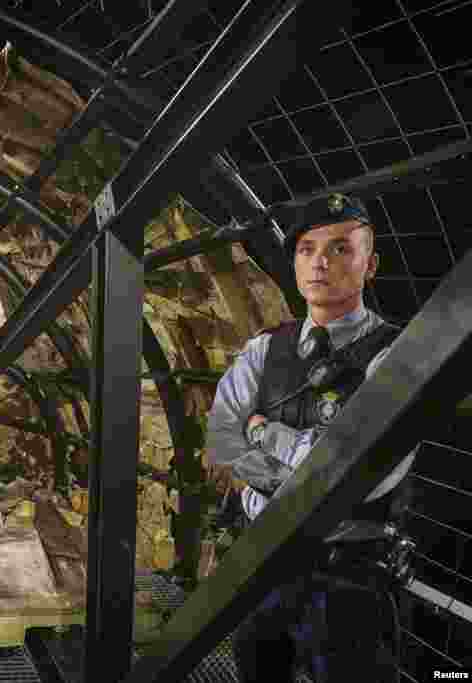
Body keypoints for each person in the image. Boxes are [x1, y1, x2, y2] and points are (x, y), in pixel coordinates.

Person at [205, 193, 415, 682]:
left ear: (371, 264)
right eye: (307, 248)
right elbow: (223, 439)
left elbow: (361, 470)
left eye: (341, 248)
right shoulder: (264, 349)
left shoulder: (398, 356)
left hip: (349, 578)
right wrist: (304, 464)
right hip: (263, 568)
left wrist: (266, 432)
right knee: (258, 670)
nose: (320, 261)